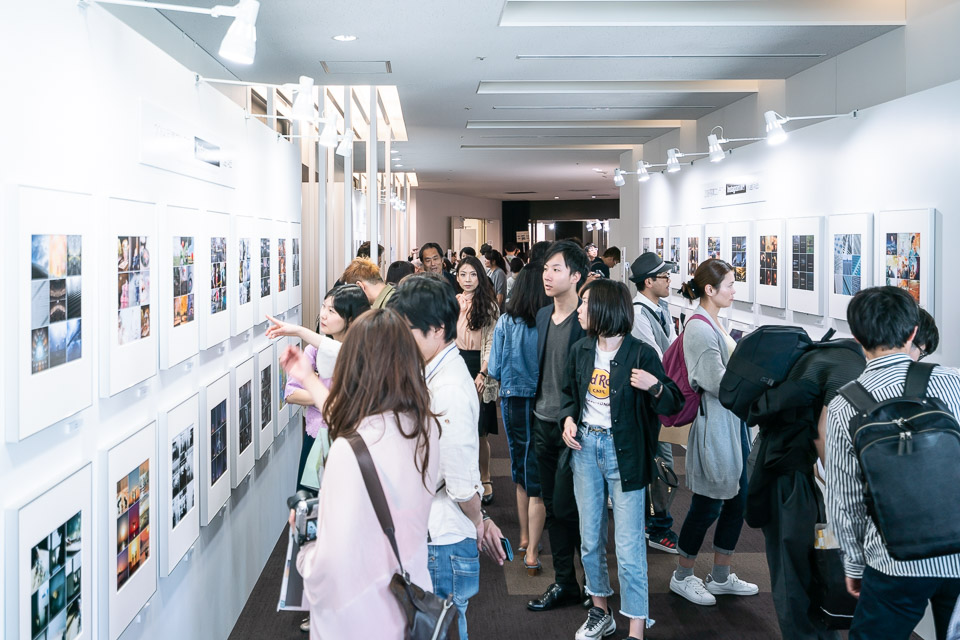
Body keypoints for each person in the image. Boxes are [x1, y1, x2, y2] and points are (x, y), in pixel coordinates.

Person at [283, 308, 439, 640]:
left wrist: (305, 549)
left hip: (359, 616)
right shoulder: (424, 426)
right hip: (410, 599)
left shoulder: (348, 451)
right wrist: (308, 377)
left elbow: (328, 567)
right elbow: (354, 425)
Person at [826, 288, 960, 639]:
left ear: (856, 337)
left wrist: (853, 564)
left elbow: (845, 499)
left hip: (891, 559)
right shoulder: (953, 382)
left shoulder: (845, 405)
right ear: (914, 332)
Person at [560, 279, 683, 640]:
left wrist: (655, 386)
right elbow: (570, 394)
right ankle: (600, 612)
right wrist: (569, 419)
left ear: (604, 309)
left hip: (623, 453)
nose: (580, 310)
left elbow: (673, 403)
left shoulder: (641, 354)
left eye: (585, 304)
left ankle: (635, 627)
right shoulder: (582, 349)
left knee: (629, 547)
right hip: (585, 449)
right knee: (590, 539)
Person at [387, 276, 507, 640]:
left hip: (443, 536)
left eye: (407, 329)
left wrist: (479, 521)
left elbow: (457, 480)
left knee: (438, 629)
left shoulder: (451, 388)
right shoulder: (433, 372)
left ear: (438, 328)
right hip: (432, 526)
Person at [744, 315, 866, 639]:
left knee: (808, 563)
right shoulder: (850, 367)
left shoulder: (837, 350)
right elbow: (823, 435)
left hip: (784, 461)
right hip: (781, 469)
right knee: (792, 571)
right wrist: (843, 491)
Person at [671, 259, 759, 606]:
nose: (734, 291)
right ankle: (682, 575)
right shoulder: (699, 327)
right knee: (707, 505)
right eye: (729, 285)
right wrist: (753, 377)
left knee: (737, 500)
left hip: (731, 424)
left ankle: (721, 575)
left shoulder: (715, 322)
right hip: (715, 427)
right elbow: (714, 381)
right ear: (710, 289)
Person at [528, 240, 591, 612]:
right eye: (546, 269)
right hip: (541, 422)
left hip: (575, 429)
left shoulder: (586, 323)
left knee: (576, 509)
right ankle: (565, 582)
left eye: (556, 269)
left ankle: (592, 583)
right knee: (553, 506)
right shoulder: (541, 316)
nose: (547, 276)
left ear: (576, 276)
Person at [268, 285, 370, 496]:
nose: (323, 314)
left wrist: (316, 390)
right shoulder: (313, 350)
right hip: (316, 435)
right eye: (324, 306)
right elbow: (291, 393)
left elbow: (346, 356)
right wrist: (330, 398)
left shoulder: (364, 351)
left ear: (351, 319)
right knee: (308, 499)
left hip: (350, 438)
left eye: (332, 311)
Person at [489, 264, 549, 576]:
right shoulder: (550, 321)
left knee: (519, 468)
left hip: (513, 399)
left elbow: (495, 368)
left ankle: (524, 539)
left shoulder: (506, 321)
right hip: (543, 400)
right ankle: (533, 551)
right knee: (537, 468)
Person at [627, 252, 681, 554]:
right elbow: (659, 358)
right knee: (661, 463)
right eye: (664, 277)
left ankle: (655, 522)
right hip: (649, 400)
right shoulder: (638, 314)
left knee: (661, 462)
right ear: (648, 282)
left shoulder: (661, 308)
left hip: (661, 396)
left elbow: (671, 348)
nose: (669, 281)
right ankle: (657, 525)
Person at [455, 256, 501, 506]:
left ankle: (486, 477)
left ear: (480, 277)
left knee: (480, 429)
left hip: (479, 364)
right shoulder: (454, 303)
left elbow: (492, 343)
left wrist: (483, 373)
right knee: (459, 425)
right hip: (457, 362)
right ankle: (464, 476)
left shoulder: (489, 306)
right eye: (463, 275)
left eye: (473, 274)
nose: (468, 280)